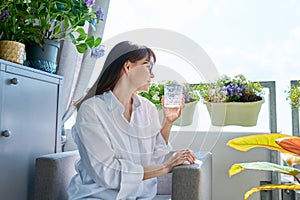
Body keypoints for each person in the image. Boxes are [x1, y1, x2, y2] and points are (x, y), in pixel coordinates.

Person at [68, 41, 196, 200]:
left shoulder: (147, 108)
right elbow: (107, 172)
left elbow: (156, 156)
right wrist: (165, 167)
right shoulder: (91, 110)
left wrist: (168, 122)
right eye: (148, 66)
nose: (152, 75)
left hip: (141, 197)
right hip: (98, 196)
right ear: (127, 67)